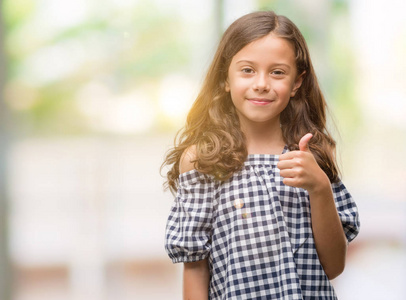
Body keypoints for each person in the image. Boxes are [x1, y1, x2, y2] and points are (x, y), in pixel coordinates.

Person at [162, 10, 360, 299]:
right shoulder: (202, 160)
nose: (261, 83)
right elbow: (195, 268)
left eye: (277, 72)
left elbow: (333, 267)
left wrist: (320, 187)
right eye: (247, 70)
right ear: (224, 79)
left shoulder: (312, 155)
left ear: (296, 83)